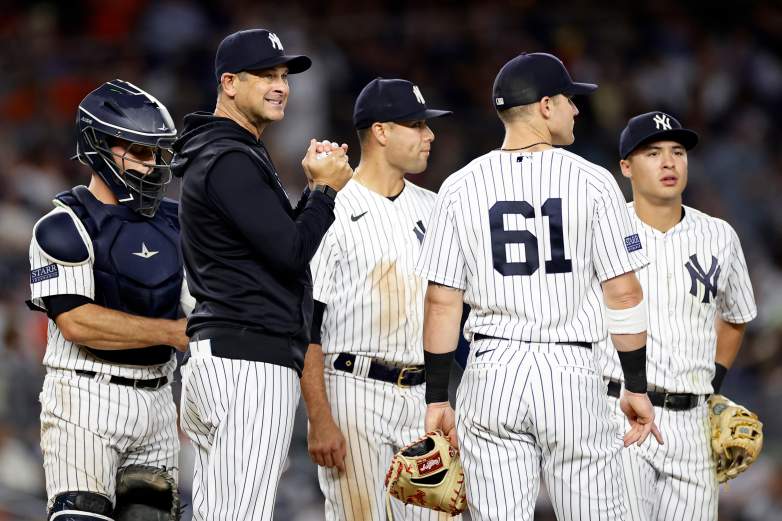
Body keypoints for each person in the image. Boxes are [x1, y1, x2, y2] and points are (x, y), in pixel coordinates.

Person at [414, 52, 664, 521]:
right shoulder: (593, 181)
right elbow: (625, 294)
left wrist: (436, 398)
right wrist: (635, 385)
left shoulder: (459, 185)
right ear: (545, 106)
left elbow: (442, 302)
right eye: (570, 100)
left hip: (492, 371)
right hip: (570, 369)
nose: (576, 109)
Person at [172, 29, 353, 521]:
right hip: (246, 364)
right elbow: (293, 253)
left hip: (223, 356)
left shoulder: (227, 150)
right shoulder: (229, 157)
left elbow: (277, 246)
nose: (280, 86)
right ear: (229, 83)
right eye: (265, 75)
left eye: (283, 76)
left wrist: (315, 188)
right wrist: (324, 191)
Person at [28, 79, 189, 521]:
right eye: (138, 152)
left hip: (158, 398)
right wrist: (173, 332)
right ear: (99, 146)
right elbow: (78, 322)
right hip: (85, 396)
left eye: (157, 153)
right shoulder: (61, 226)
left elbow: (200, 309)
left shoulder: (177, 223)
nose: (152, 165)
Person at [301, 77, 454, 520]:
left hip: (423, 396)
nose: (430, 135)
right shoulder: (331, 207)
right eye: (417, 125)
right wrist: (319, 418)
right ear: (382, 131)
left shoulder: (434, 206)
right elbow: (307, 322)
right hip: (353, 389)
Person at [598, 111, 757, 521]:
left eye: (678, 152)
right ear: (626, 167)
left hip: (691, 424)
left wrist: (713, 387)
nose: (669, 162)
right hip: (618, 414)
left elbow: (736, 316)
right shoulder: (602, 230)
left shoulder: (719, 235)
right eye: (654, 153)